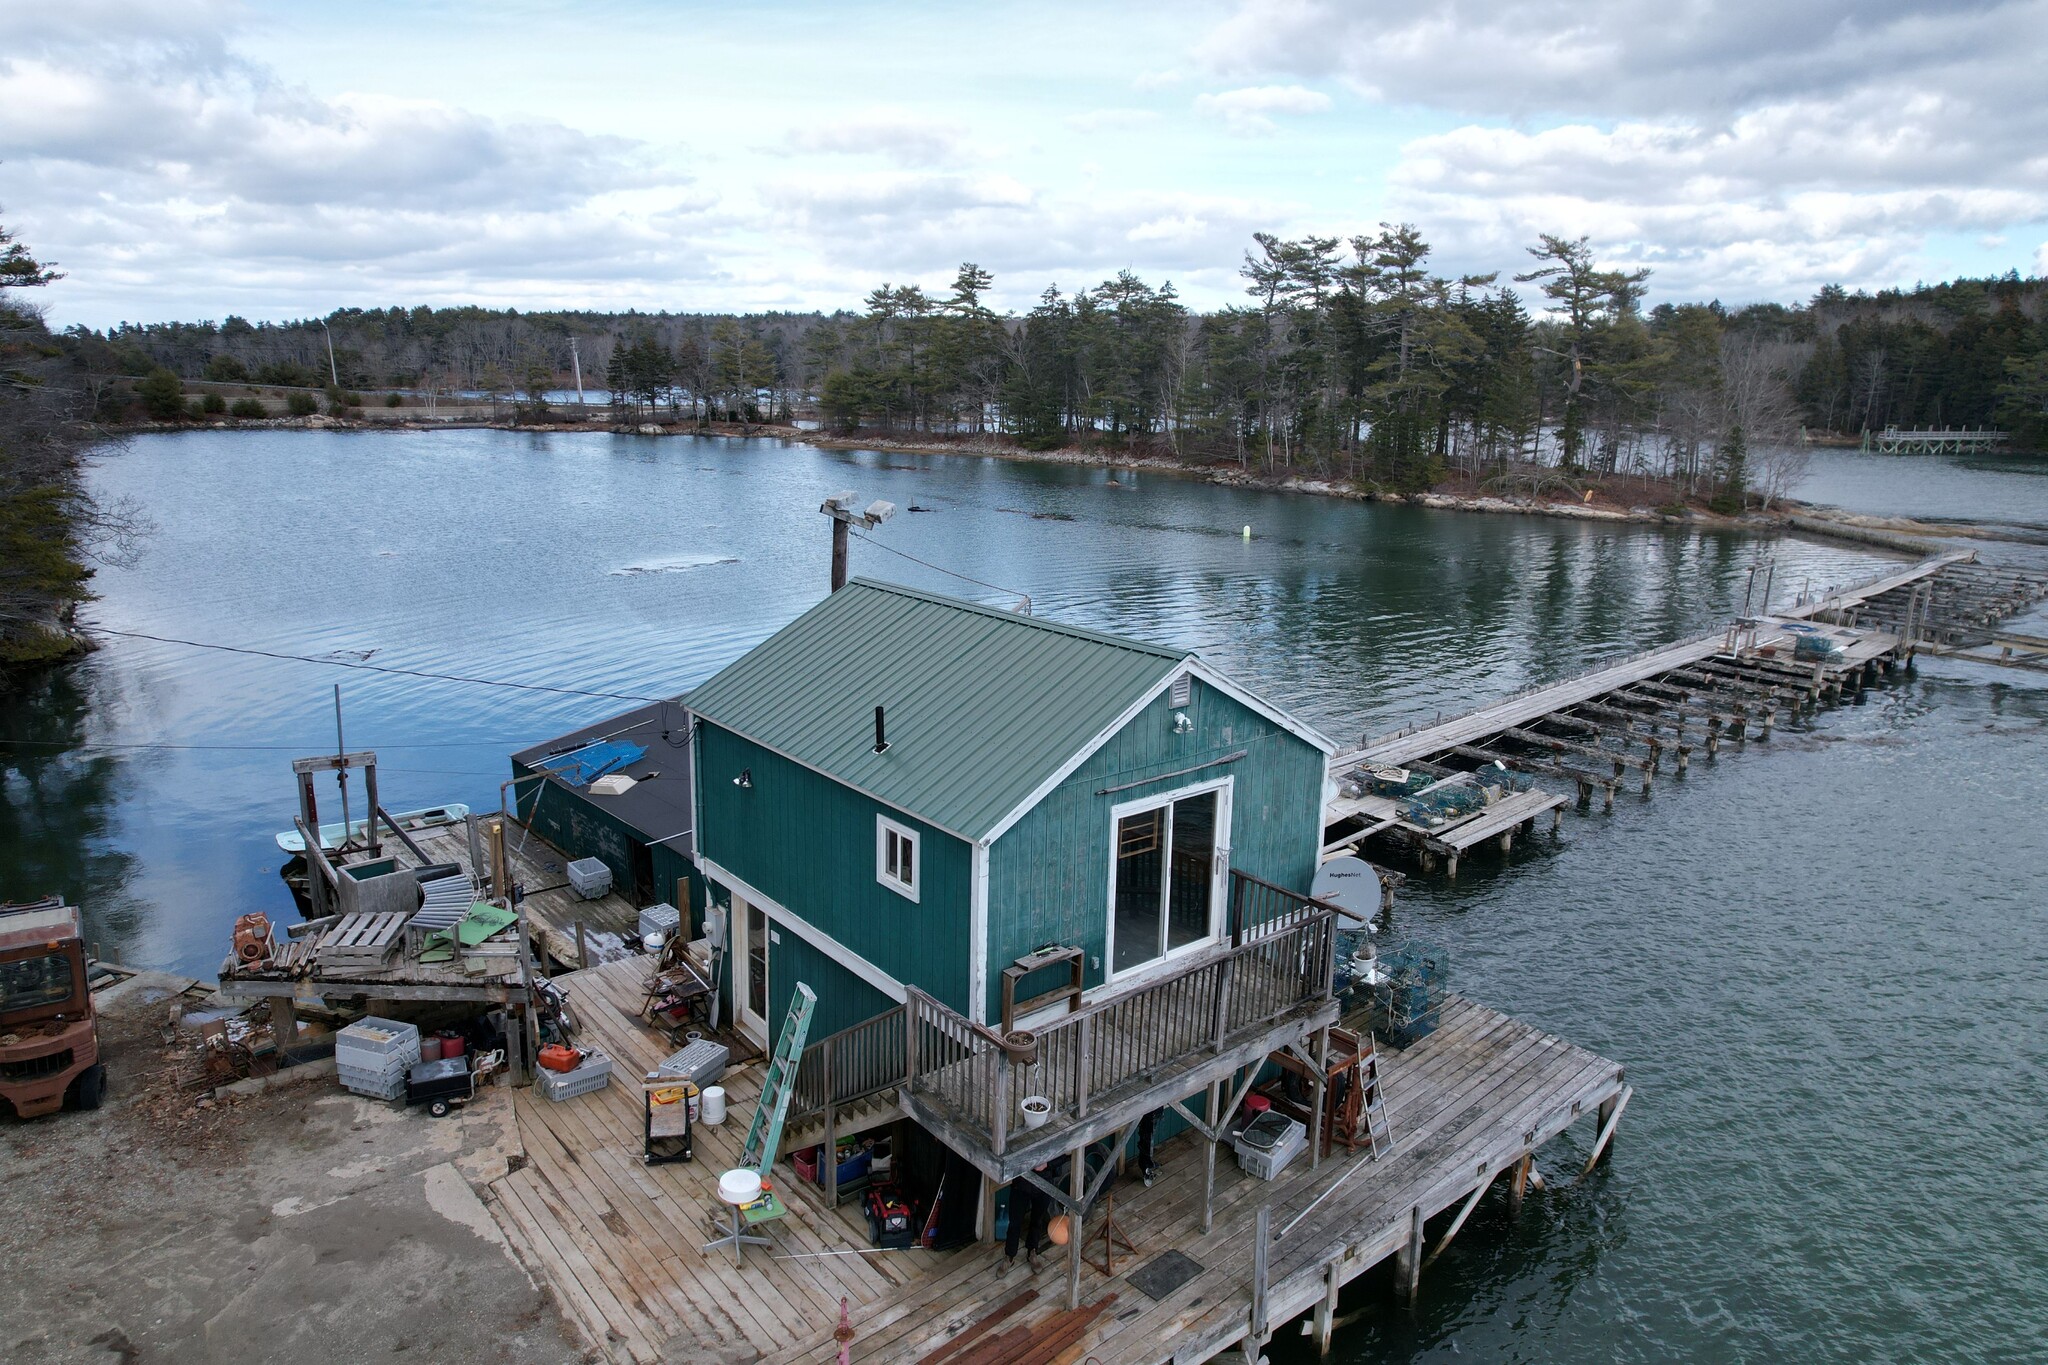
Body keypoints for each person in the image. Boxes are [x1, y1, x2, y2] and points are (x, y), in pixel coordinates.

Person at [1004, 1161, 1054, 1271]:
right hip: (1021, 1184)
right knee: (1014, 1222)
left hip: (1043, 1184)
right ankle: (1009, 1256)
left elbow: (1065, 1154)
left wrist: (1047, 1164)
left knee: (1037, 1220)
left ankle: (1032, 1252)